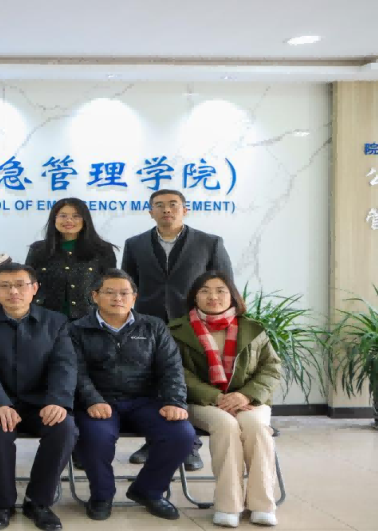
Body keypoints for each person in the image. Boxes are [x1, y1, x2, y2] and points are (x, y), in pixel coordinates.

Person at [70, 269, 195, 521]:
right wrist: (92, 399)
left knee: (181, 434)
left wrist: (174, 401)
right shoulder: (77, 329)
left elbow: (171, 368)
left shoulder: (153, 326)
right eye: (109, 292)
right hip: (99, 402)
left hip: (145, 401)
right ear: (95, 296)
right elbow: (75, 371)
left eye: (124, 293)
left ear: (134, 297)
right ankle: (102, 496)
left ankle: (148, 491)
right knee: (95, 437)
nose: (118, 298)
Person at [121, 189, 233, 470]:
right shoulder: (135, 244)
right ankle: (154, 440)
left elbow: (225, 285)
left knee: (187, 381)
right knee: (150, 383)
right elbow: (128, 287)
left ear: (185, 209)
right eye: (159, 206)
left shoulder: (209, 242)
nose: (167, 210)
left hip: (194, 323)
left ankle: (189, 445)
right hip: (149, 324)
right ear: (150, 212)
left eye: (173, 204)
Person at [0, 263, 78, 531]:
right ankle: (3, 503)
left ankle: (39, 502)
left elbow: (64, 365)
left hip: (39, 402)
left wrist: (57, 401)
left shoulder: (55, 322)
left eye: (20, 285)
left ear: (34, 288)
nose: (13, 291)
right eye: (5, 286)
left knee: (65, 427)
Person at [169, 271, 282, 528]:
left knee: (255, 426)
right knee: (227, 425)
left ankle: (262, 505)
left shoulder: (253, 329)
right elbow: (176, 372)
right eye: (205, 291)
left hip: (249, 399)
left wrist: (245, 395)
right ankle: (228, 505)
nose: (213, 296)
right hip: (201, 401)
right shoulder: (176, 330)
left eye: (220, 290)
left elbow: (271, 368)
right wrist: (216, 397)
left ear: (232, 296)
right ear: (194, 297)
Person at [25, 198, 116, 320]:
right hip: (45, 318)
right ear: (54, 219)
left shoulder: (103, 250)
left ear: (85, 220)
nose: (69, 220)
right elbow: (28, 284)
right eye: (63, 216)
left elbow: (110, 287)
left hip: (88, 318)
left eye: (76, 216)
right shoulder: (38, 249)